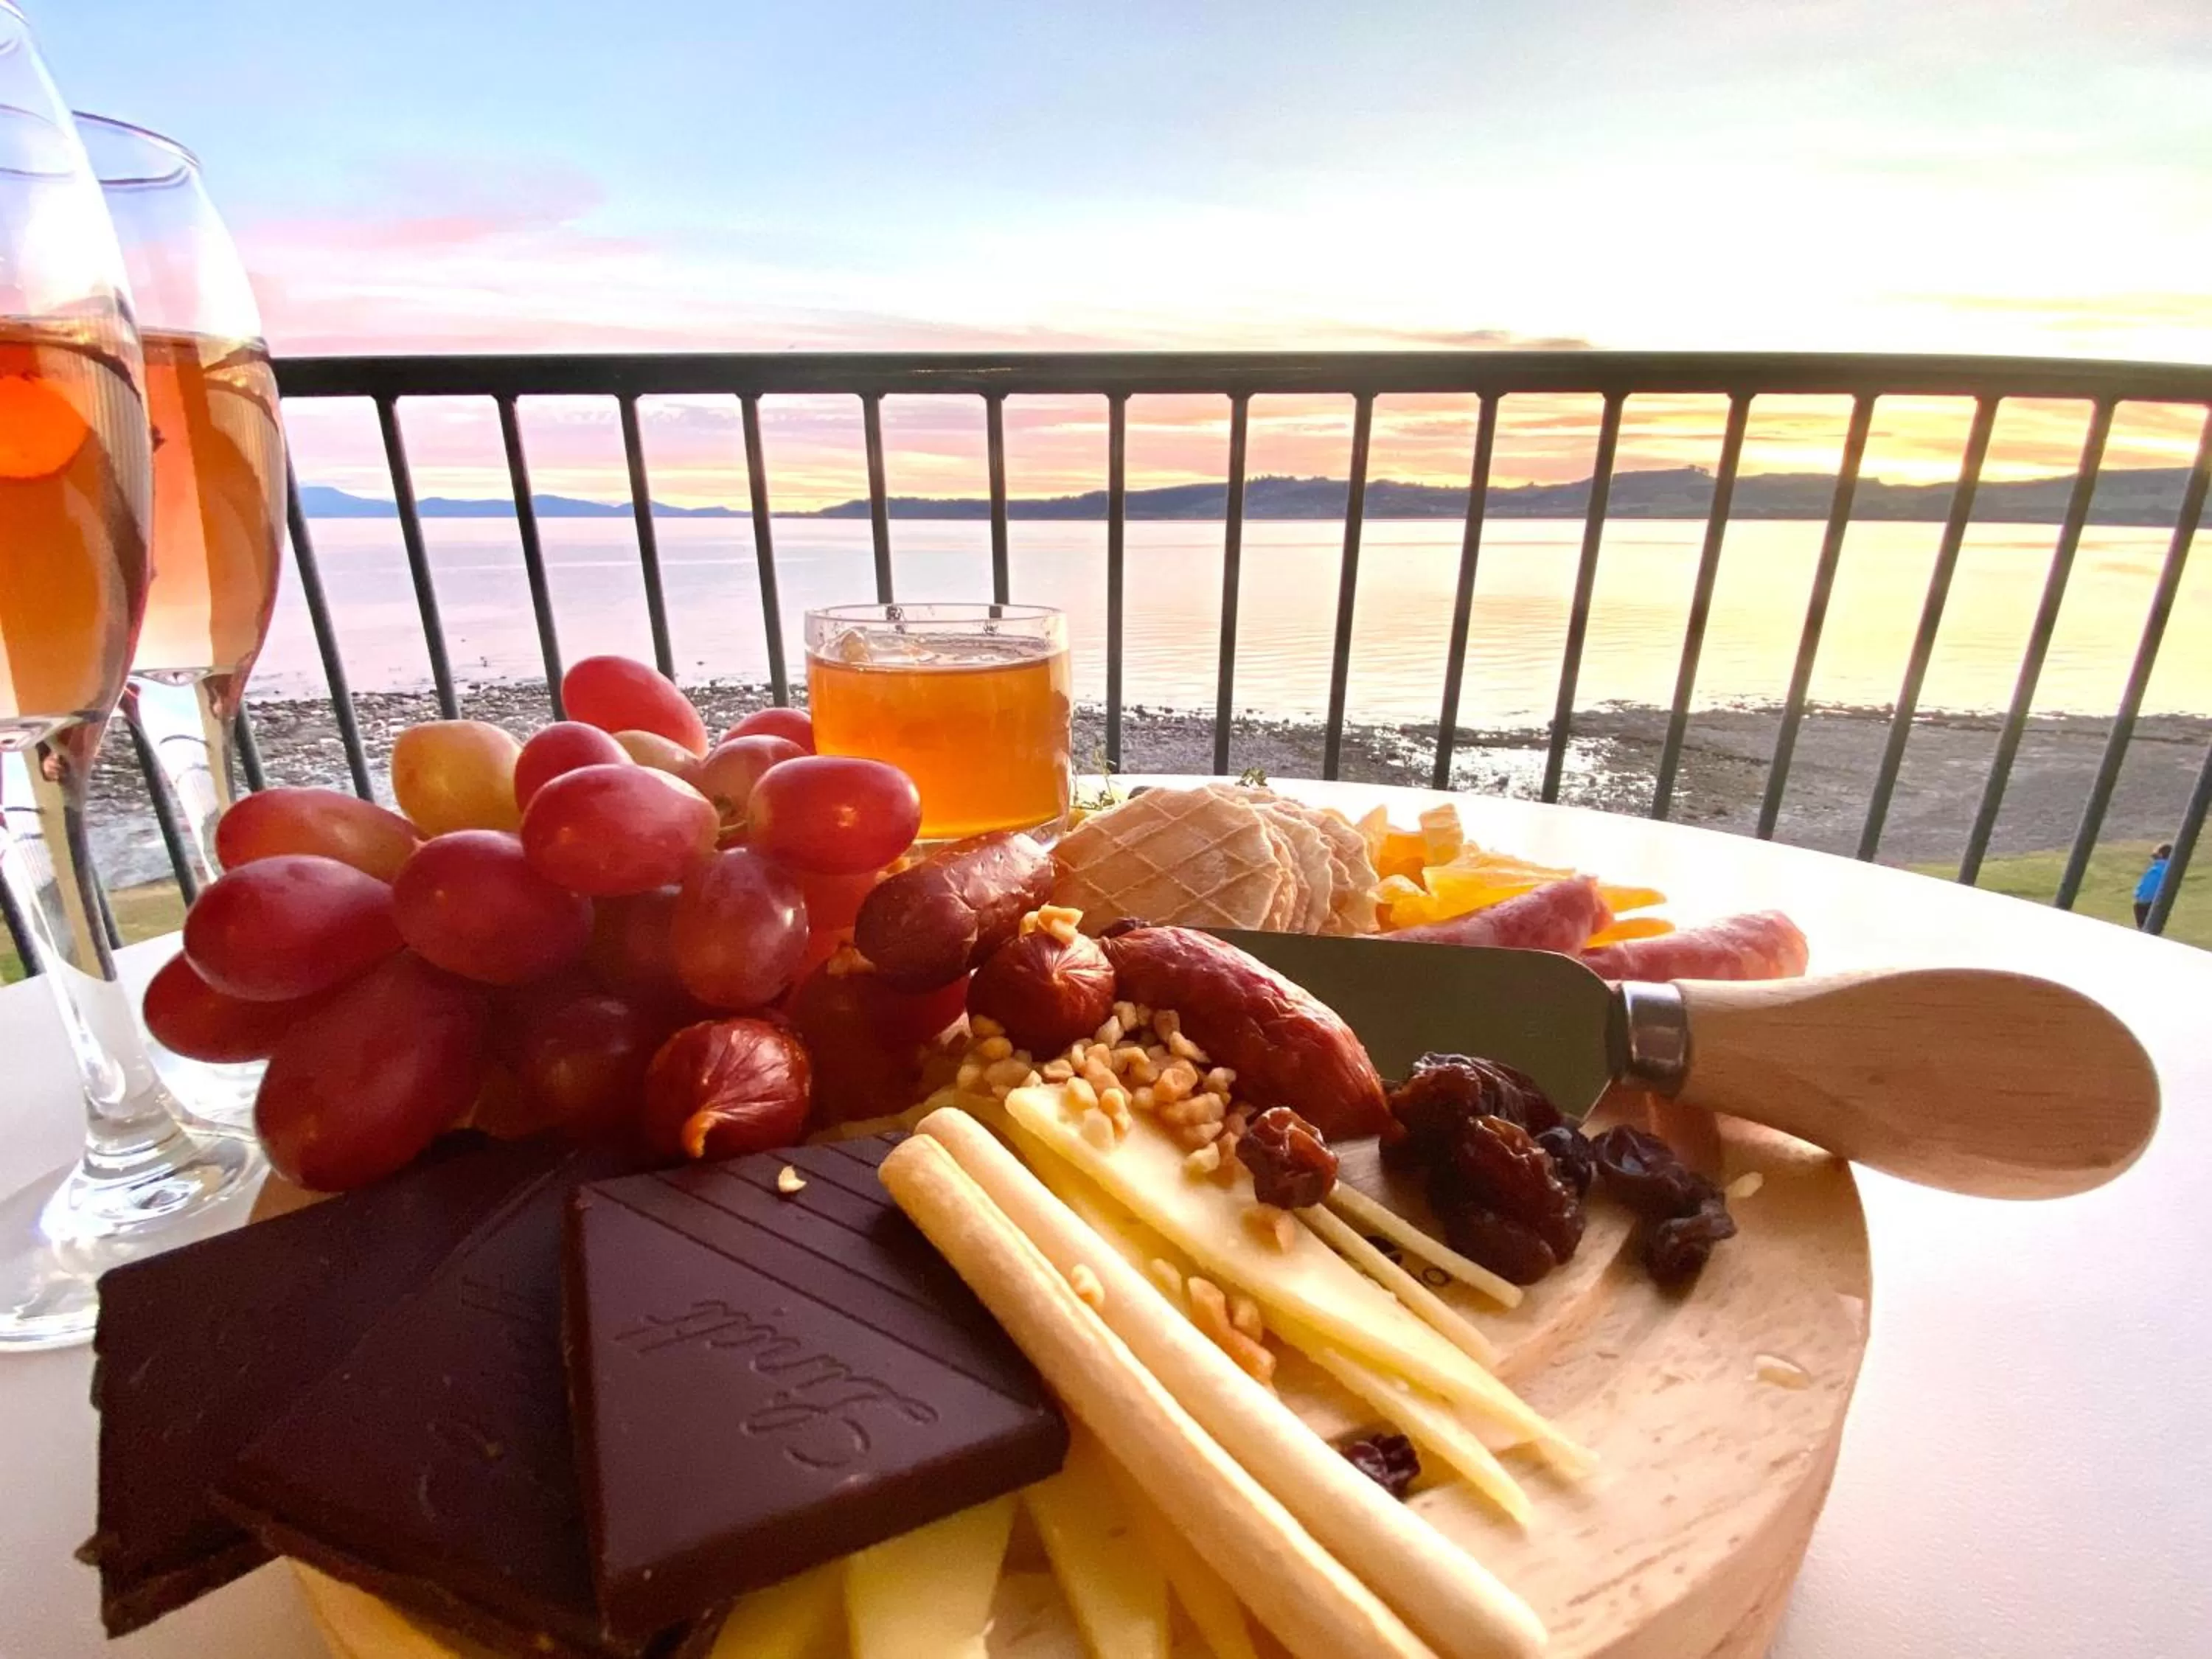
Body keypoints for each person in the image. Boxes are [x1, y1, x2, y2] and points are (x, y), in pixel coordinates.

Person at [2135, 842, 2174, 928]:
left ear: (2160, 855)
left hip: (2147, 907)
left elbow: (2147, 892)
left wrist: (2139, 899)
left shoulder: (2156, 870)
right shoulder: (2169, 869)